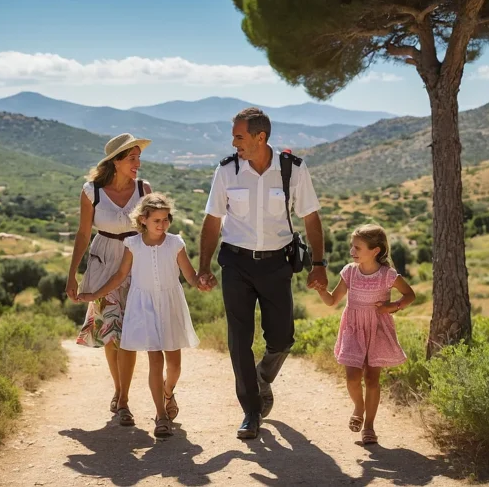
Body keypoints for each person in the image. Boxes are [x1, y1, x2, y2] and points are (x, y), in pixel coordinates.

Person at [198, 107, 328, 439]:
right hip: (236, 264)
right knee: (239, 340)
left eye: (239, 136)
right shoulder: (227, 171)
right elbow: (212, 221)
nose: (233, 142)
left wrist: (319, 264)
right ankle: (251, 411)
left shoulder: (292, 170)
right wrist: (204, 267)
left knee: (282, 338)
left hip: (276, 264)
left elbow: (310, 218)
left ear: (260, 137)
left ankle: (262, 377)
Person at [79, 193, 201, 438]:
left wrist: (203, 281)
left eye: (166, 219)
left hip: (170, 306)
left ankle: (168, 392)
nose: (162, 224)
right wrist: (95, 294)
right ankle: (161, 416)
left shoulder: (175, 243)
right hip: (143, 306)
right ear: (143, 220)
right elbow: (120, 276)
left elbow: (190, 275)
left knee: (174, 365)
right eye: (157, 219)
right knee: (155, 361)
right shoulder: (132, 245)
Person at [66, 132, 152, 427]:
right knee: (110, 332)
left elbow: (153, 230)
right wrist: (72, 274)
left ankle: (124, 399)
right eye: (132, 158)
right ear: (116, 162)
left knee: (128, 334)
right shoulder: (92, 192)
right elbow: (82, 233)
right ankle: (119, 391)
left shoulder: (144, 189)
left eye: (139, 157)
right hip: (102, 264)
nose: (138, 163)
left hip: (135, 265)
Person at [314, 224, 415, 445]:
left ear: (375, 250)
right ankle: (358, 407)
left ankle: (368, 426)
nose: (352, 251)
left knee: (371, 379)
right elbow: (332, 301)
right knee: (352, 378)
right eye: (352, 246)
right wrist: (321, 289)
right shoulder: (349, 271)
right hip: (353, 327)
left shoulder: (387, 275)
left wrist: (393, 306)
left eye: (357, 247)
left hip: (377, 329)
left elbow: (409, 294)